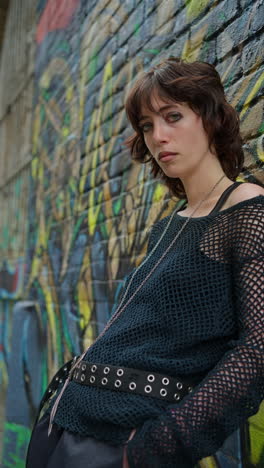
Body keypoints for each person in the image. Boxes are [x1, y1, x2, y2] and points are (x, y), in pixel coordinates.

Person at [26, 58, 264, 468]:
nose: (158, 136)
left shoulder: (247, 212)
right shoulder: (168, 226)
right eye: (148, 126)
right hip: (66, 421)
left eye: (173, 117)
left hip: (120, 442)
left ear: (210, 118)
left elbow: (258, 350)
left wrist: (156, 448)